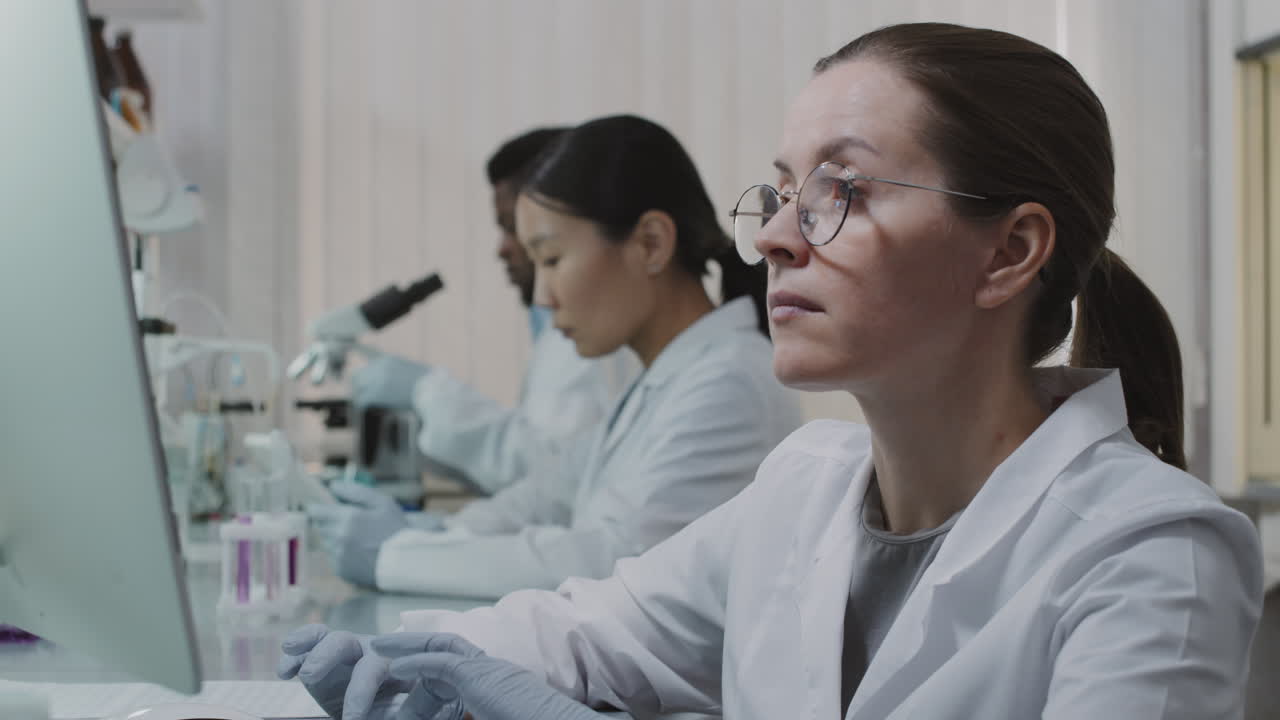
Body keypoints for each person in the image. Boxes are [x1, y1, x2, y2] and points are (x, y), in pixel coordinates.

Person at [281, 23, 1264, 720]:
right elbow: (588, 625)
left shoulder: (1149, 556)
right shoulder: (803, 491)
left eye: (842, 190)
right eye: (784, 192)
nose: (775, 241)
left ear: (1006, 253)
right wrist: (382, 661)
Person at [312, 114, 804, 600]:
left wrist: (397, 556)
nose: (543, 297)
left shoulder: (728, 382)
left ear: (651, 243)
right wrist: (425, 535)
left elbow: (617, 559)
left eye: (551, 260)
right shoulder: (665, 379)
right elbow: (547, 494)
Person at [350, 127, 641, 495]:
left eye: (513, 230)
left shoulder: (601, 332)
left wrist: (427, 391)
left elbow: (549, 474)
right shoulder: (559, 327)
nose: (503, 250)